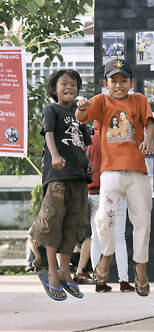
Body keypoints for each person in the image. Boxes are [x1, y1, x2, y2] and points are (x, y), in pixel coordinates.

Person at [76, 59, 154, 297]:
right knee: (104, 220)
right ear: (105, 83)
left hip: (137, 173)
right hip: (110, 173)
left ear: (131, 82)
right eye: (114, 80)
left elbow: (150, 123)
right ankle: (106, 259)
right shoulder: (101, 101)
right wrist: (81, 106)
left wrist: (148, 139)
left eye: (123, 80)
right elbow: (82, 117)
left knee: (142, 222)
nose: (119, 85)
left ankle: (140, 270)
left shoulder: (139, 100)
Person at [30, 69, 92, 301]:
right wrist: (55, 156)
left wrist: (88, 164)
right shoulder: (51, 109)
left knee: (73, 224)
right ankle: (52, 271)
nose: (69, 87)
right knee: (53, 220)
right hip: (57, 174)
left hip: (78, 175)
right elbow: (48, 133)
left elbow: (83, 144)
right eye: (64, 83)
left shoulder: (80, 115)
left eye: (74, 84)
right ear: (54, 89)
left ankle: (66, 272)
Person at [85, 121, 135, 293]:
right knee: (119, 237)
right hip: (114, 192)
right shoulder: (116, 139)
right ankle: (124, 281)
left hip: (92, 193)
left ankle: (98, 281)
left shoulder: (89, 140)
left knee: (96, 236)